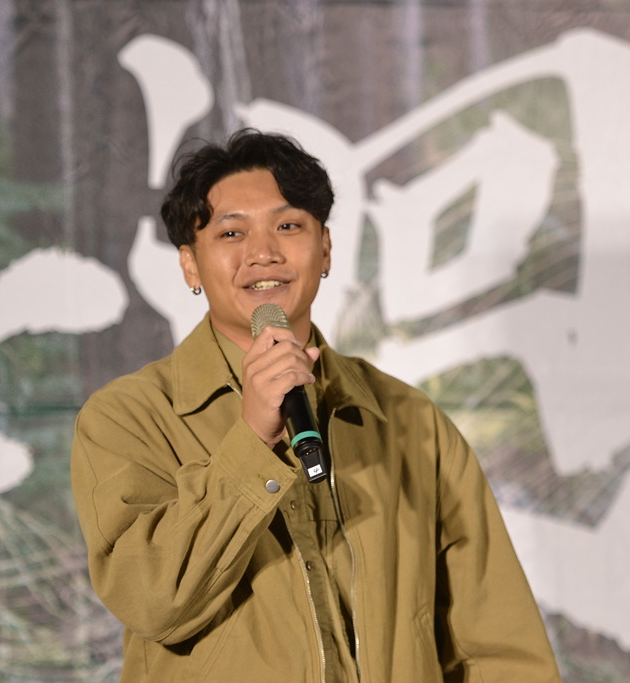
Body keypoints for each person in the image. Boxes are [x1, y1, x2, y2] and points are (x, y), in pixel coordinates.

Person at [71, 129, 562, 682]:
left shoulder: (409, 421)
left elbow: (496, 645)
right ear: (190, 264)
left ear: (324, 249)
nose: (263, 253)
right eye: (231, 232)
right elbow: (151, 600)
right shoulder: (128, 418)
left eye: (288, 226)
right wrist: (252, 442)